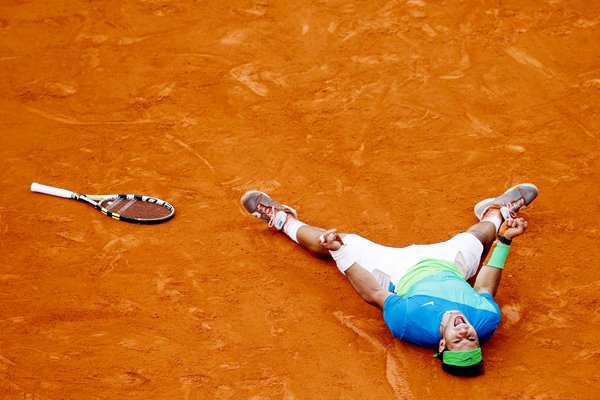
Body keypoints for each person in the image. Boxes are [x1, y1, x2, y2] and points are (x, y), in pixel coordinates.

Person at [240, 184, 538, 376]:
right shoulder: (486, 319)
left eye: (459, 340)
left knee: (330, 242)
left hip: (396, 269)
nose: (465, 332)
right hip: (449, 263)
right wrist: (504, 241)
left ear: (443, 346)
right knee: (481, 237)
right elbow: (484, 286)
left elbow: (374, 293)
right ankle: (496, 210)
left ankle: (282, 219)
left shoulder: (408, 322)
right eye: (471, 339)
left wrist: (341, 254)